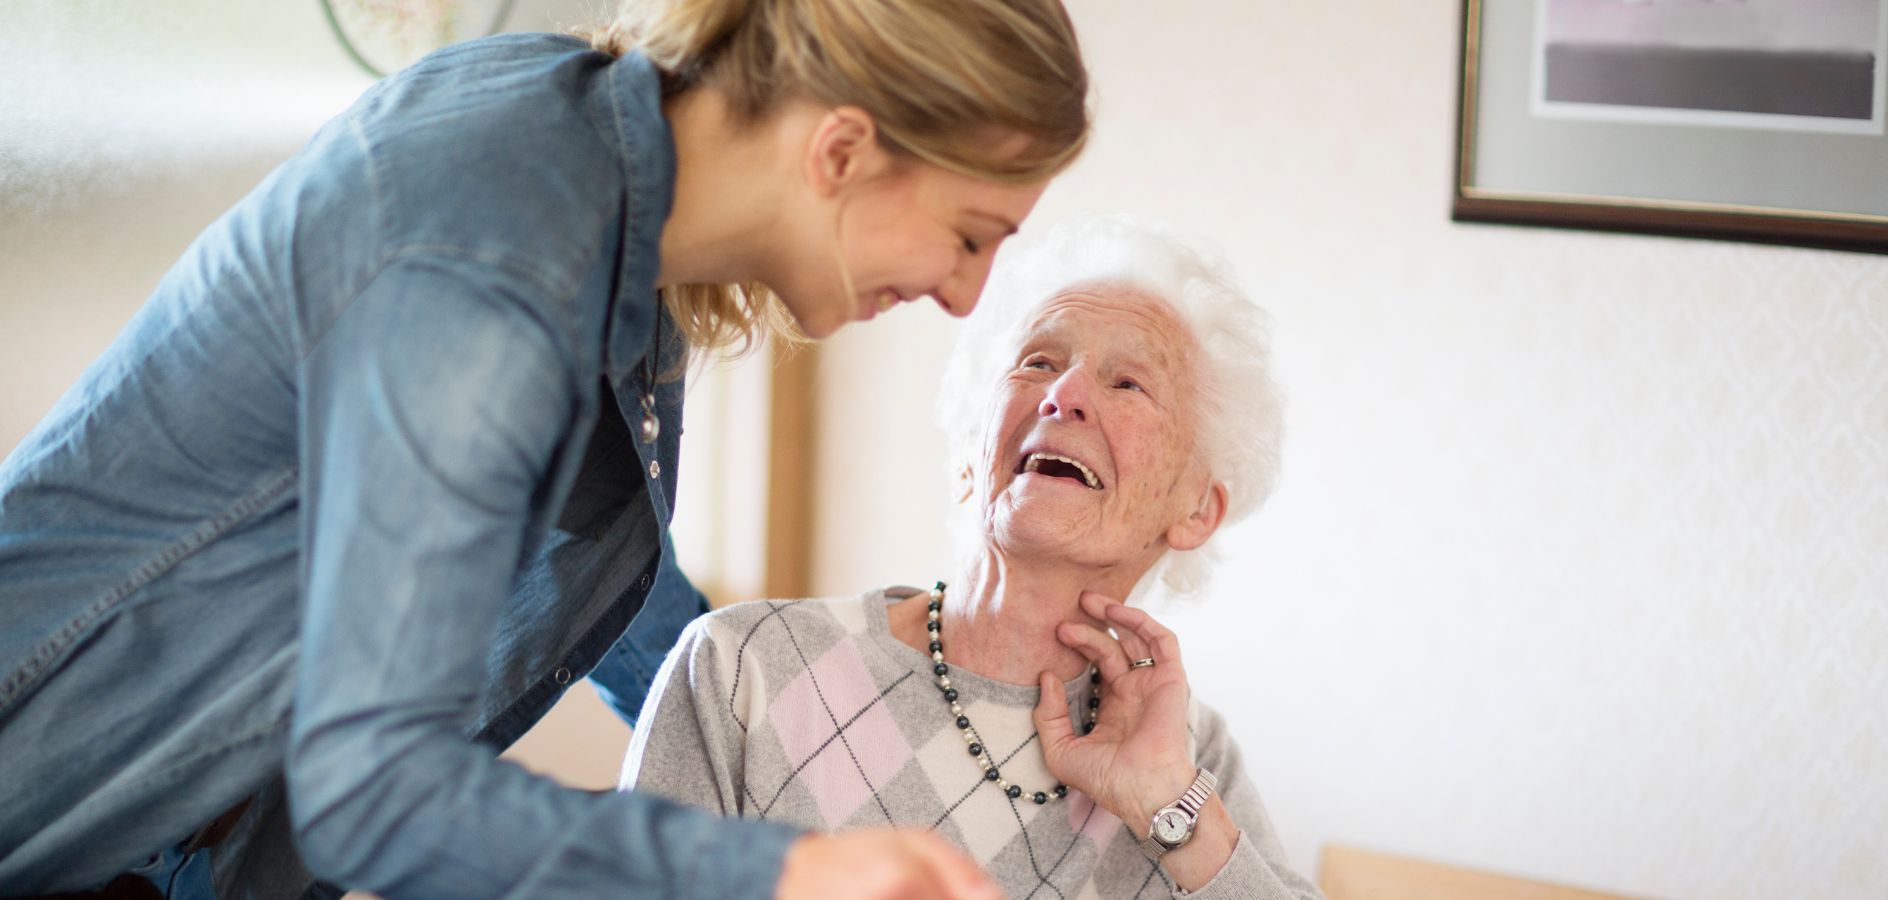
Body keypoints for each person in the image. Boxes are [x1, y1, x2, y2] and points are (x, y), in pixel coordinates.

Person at [0, 0, 1088, 896]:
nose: (966, 297)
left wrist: (793, 774)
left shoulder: (614, 228)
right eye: (969, 236)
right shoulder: (496, 257)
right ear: (841, 151)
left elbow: (614, 585)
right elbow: (368, 788)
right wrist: (782, 874)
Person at [622, 217, 1323, 899]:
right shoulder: (743, 665)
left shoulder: (1191, 754)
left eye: (1128, 383)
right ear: (969, 455)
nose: (1063, 396)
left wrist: (1171, 808)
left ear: (1196, 509)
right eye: (1038, 362)